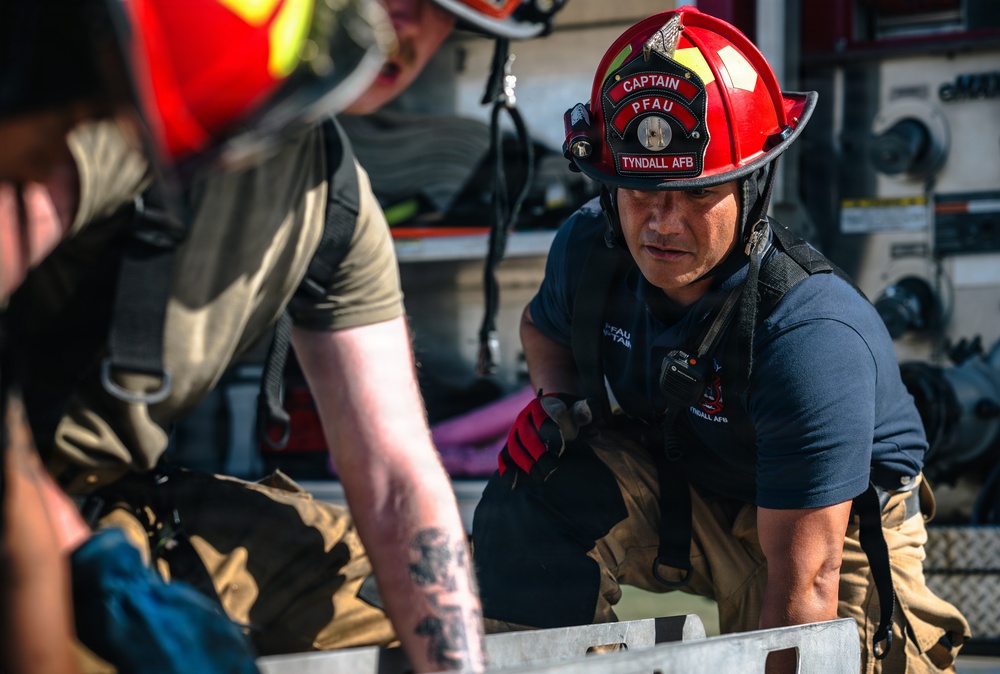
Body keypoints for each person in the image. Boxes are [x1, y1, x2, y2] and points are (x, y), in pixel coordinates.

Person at [470, 8, 970, 673]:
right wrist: (560, 403)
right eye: (639, 191)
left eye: (694, 193)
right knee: (534, 492)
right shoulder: (589, 251)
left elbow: (805, 593)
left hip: (831, 534)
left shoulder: (809, 337)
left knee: (817, 660)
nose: (661, 221)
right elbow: (541, 327)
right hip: (695, 491)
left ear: (751, 187)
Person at [2, 0, 488, 672]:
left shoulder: (334, 195)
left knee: (428, 614)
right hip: (32, 504)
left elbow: (394, 472)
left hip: (122, 505)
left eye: (439, 6)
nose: (407, 21)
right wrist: (84, 563)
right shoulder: (133, 106)